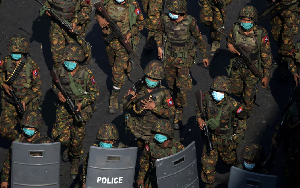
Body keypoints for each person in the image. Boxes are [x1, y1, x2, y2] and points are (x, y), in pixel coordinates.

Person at [155, 0, 209, 129]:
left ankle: (178, 110)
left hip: (184, 60)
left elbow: (199, 39)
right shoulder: (165, 19)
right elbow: (158, 32)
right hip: (169, 58)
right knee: (171, 83)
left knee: (182, 88)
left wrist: (205, 56)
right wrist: (159, 46)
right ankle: (174, 97)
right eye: (171, 12)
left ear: (182, 13)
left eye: (175, 12)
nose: (172, 14)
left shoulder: (190, 22)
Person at [51, 44, 99, 180]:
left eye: (72, 61)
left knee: (77, 139)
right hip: (64, 106)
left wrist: (81, 104)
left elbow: (95, 94)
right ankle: (66, 147)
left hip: (80, 108)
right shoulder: (60, 70)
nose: (69, 63)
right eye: (67, 60)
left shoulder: (86, 74)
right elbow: (53, 84)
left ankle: (76, 159)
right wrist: (58, 93)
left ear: (78, 61)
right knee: (61, 137)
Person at [94, 0, 144, 114]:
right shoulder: (107, 2)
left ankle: (114, 97)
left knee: (117, 73)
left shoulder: (133, 4)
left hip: (124, 42)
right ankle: (127, 65)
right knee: (112, 64)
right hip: (110, 42)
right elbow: (97, 12)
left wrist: (130, 34)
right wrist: (99, 18)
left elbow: (141, 23)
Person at [196, 76, 246, 188]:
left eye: (220, 91)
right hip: (210, 136)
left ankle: (237, 167)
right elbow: (198, 109)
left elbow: (242, 119)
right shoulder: (207, 98)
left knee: (229, 159)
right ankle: (208, 185)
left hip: (226, 139)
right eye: (215, 90)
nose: (216, 93)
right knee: (207, 164)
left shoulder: (233, 105)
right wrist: (199, 119)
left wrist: (237, 138)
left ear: (226, 92)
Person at [227, 5, 272, 117]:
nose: (246, 22)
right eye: (243, 20)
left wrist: (266, 75)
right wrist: (229, 46)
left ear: (253, 21)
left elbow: (266, 56)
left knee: (248, 97)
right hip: (237, 67)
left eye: (248, 20)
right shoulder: (235, 29)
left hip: (252, 70)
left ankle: (246, 113)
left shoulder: (261, 34)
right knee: (235, 90)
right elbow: (229, 40)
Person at [123, 60, 175, 148]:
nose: (151, 81)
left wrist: (154, 108)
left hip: (153, 133)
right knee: (140, 151)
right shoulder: (137, 88)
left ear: (159, 80)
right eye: (149, 77)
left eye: (154, 79)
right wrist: (131, 99)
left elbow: (171, 113)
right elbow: (124, 105)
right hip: (138, 130)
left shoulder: (164, 92)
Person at [0, 34, 42, 141]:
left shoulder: (31, 65)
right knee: (5, 130)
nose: (15, 55)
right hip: (10, 101)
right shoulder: (6, 61)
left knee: (31, 131)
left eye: (18, 53)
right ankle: (19, 141)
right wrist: (3, 84)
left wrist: (25, 100)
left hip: (26, 103)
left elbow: (37, 86)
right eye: (13, 52)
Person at [0, 110, 52, 188]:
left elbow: (50, 166)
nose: (27, 129)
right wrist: (4, 179)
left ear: (37, 127)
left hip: (38, 180)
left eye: (30, 127)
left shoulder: (46, 143)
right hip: (21, 179)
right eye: (26, 126)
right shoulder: (19, 141)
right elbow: (9, 159)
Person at [42, 0, 92, 68]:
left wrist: (76, 21)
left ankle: (79, 70)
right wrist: (47, 9)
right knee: (56, 53)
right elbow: (46, 2)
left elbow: (87, 7)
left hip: (72, 25)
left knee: (79, 52)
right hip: (56, 24)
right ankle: (60, 72)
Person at [136, 120, 185, 188]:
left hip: (172, 179)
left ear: (168, 135)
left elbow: (184, 166)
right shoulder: (151, 144)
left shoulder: (177, 147)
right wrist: (141, 177)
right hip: (155, 178)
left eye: (160, 133)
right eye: (155, 133)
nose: (156, 136)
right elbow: (145, 160)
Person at [81, 123, 126, 187]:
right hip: (99, 178)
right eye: (102, 141)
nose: (104, 144)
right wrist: (84, 181)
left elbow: (127, 171)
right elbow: (86, 165)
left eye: (107, 142)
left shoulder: (122, 151)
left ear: (114, 141)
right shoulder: (95, 149)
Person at [272, 86, 300, 188]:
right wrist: (275, 136)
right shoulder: (294, 110)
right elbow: (282, 123)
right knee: (290, 173)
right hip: (292, 146)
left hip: (292, 146)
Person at [270, 0, 299, 80]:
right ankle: (281, 54)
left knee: (287, 40)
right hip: (276, 6)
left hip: (291, 7)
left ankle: (284, 66)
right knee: (277, 35)